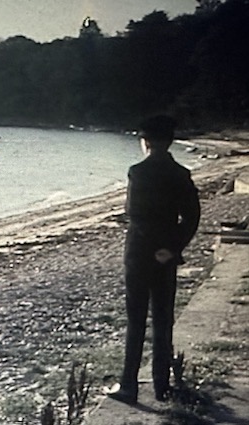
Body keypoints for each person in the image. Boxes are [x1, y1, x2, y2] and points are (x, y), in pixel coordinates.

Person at [108, 115, 200, 405]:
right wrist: (171, 248)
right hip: (166, 258)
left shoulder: (138, 172)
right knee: (163, 319)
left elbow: (136, 215)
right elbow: (192, 217)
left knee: (136, 320)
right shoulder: (181, 173)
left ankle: (129, 385)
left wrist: (154, 245)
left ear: (145, 142)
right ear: (170, 141)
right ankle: (162, 385)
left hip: (139, 254)